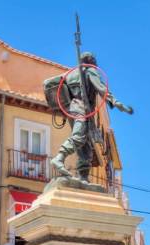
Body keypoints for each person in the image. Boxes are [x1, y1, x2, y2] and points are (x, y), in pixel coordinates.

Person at [49, 52, 133, 183]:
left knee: (86, 146)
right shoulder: (90, 71)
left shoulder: (69, 74)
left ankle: (83, 177)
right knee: (79, 136)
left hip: (71, 109)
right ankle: (59, 158)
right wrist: (116, 102)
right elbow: (101, 88)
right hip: (83, 108)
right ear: (92, 62)